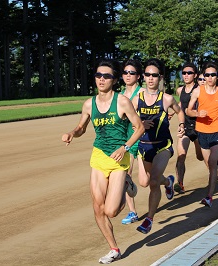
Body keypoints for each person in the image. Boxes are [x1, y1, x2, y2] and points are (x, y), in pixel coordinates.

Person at [61, 59, 145, 264]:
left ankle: (126, 182)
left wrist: (124, 147)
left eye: (106, 76)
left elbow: (140, 128)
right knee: (98, 209)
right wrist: (73, 132)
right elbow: (81, 127)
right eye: (98, 75)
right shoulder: (89, 104)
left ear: (114, 80)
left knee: (111, 211)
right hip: (99, 156)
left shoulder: (122, 101)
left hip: (118, 158)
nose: (101, 79)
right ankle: (114, 249)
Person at [132, 58, 185, 234]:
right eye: (147, 74)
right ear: (143, 77)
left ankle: (149, 219)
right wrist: (140, 123)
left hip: (162, 146)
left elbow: (180, 112)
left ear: (160, 77)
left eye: (154, 75)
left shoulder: (167, 99)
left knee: (153, 181)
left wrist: (182, 125)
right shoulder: (136, 99)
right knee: (144, 182)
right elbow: (127, 120)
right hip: (143, 146)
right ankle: (168, 181)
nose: (150, 78)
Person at [186, 61, 218, 207]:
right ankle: (215, 167)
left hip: (217, 131)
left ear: (217, 77)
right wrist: (198, 113)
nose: (210, 77)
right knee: (209, 164)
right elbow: (188, 110)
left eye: (213, 75)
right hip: (201, 132)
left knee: (211, 163)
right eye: (207, 75)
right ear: (203, 76)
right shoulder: (197, 91)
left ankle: (209, 196)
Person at [120, 59, 144, 225]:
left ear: (138, 76)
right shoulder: (120, 95)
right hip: (126, 138)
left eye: (132, 73)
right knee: (126, 174)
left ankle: (167, 181)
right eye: (125, 72)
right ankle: (132, 211)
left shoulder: (143, 92)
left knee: (146, 180)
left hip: (143, 137)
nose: (128, 75)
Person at [174, 62, 203, 194]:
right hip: (185, 127)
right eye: (184, 73)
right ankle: (179, 183)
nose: (186, 75)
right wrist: (171, 113)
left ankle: (214, 159)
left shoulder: (200, 90)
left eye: (189, 73)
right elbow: (182, 103)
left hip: (199, 128)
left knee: (200, 157)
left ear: (195, 75)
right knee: (181, 155)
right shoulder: (180, 90)